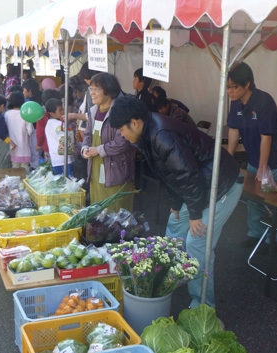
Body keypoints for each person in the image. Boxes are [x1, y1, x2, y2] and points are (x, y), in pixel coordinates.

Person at [109, 95, 243, 308]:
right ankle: (172, 278)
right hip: (200, 186)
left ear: (134, 123)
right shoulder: (146, 132)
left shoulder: (161, 135)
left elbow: (187, 175)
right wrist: (175, 204)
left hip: (222, 185)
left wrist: (195, 214)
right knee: (174, 227)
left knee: (197, 242)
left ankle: (202, 306)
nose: (122, 135)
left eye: (122, 130)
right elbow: (168, 173)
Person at [226, 62, 277, 249]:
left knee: (271, 201)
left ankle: (274, 240)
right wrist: (229, 159)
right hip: (253, 159)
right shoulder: (236, 102)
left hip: (273, 163)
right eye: (228, 87)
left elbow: (266, 138)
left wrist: (263, 168)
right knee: (253, 201)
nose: (230, 91)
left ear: (247, 85)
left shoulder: (264, 102)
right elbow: (233, 130)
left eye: (234, 87)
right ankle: (255, 234)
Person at [81, 73, 135, 212]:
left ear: (108, 91)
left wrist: (98, 150)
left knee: (116, 210)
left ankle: (119, 234)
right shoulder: (93, 111)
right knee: (98, 208)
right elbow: (87, 134)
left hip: (116, 168)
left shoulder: (120, 110)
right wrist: (85, 148)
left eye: (96, 89)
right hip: (95, 165)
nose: (91, 93)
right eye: (90, 89)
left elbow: (123, 141)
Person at [45, 98, 74, 176]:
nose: (62, 112)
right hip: (64, 158)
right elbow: (67, 141)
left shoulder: (48, 124)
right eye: (60, 110)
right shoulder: (60, 125)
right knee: (68, 182)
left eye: (62, 109)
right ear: (51, 113)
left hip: (55, 158)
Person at [4, 91, 32, 172]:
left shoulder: (7, 114)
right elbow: (30, 131)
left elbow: (4, 130)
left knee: (15, 168)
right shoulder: (25, 114)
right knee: (25, 169)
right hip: (24, 147)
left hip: (12, 147)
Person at [36, 89, 62, 160]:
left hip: (48, 146)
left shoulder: (41, 116)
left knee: (50, 167)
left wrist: (39, 144)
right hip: (62, 147)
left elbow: (40, 133)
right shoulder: (61, 115)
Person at [22, 78, 42, 169]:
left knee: (35, 151)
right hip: (37, 129)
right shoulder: (38, 98)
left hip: (36, 130)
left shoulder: (33, 103)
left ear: (30, 91)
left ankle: (35, 169)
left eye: (24, 90)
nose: (23, 92)